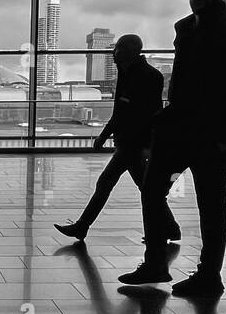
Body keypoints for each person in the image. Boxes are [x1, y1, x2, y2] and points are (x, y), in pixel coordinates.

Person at [119, 0, 226, 299]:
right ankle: (161, 263)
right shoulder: (185, 29)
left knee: (210, 204)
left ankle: (207, 274)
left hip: (212, 133)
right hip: (180, 128)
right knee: (154, 190)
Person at [54, 34, 181, 244]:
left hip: (133, 144)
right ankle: (170, 228)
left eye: (118, 49)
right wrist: (106, 135)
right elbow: (124, 110)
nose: (113, 53)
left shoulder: (144, 76)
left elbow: (140, 113)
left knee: (110, 184)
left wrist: (109, 137)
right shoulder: (133, 74)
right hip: (131, 143)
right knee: (143, 188)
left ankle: (82, 227)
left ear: (129, 52)